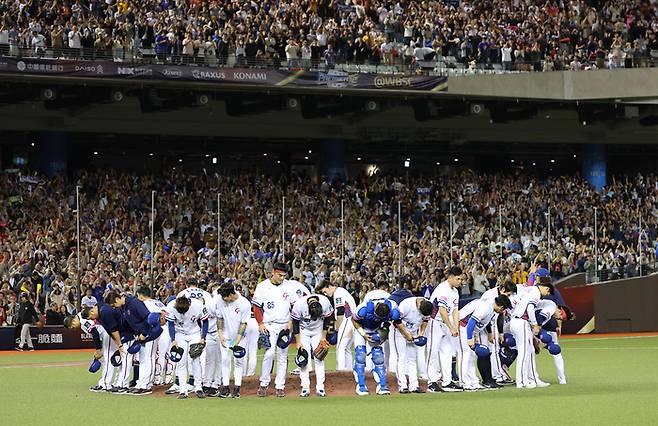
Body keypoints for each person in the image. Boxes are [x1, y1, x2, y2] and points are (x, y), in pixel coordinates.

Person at [251, 262, 307, 397]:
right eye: (280, 275)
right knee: (269, 354)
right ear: (273, 273)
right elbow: (257, 307)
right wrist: (260, 323)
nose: (282, 278)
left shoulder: (289, 286)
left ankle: (280, 386)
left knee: (283, 356)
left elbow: (295, 306)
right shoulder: (263, 286)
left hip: (284, 326)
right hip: (269, 325)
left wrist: (291, 322)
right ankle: (263, 384)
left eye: (284, 275)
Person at [458, 295, 512, 390]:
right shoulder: (486, 307)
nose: (502, 312)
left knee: (471, 356)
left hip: (468, 329)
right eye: (503, 309)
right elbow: (471, 322)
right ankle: (464, 382)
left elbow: (483, 323)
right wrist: (470, 338)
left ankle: (473, 382)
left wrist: (475, 334)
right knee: (465, 354)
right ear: (501, 307)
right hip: (462, 326)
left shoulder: (491, 308)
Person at [509, 277, 554, 389]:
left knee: (530, 350)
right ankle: (522, 381)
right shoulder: (536, 292)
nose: (547, 294)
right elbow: (529, 308)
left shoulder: (529, 289)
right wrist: (534, 324)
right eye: (548, 291)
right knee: (524, 352)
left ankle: (532, 378)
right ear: (545, 287)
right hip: (521, 321)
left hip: (515, 320)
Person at [177, 279, 220, 396]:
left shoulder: (183, 294)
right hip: (191, 331)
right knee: (192, 360)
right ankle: (185, 389)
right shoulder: (206, 294)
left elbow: (204, 320)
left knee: (194, 359)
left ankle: (197, 386)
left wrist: (202, 336)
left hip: (195, 331)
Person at [351, 295, 400, 396]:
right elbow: (354, 320)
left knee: (378, 356)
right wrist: (363, 334)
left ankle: (382, 385)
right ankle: (361, 385)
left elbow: (389, 322)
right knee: (360, 355)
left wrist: (384, 330)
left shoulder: (393, 309)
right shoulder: (363, 309)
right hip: (362, 329)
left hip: (376, 330)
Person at [426, 266, 463, 392]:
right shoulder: (443, 289)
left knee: (447, 352)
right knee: (433, 352)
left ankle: (447, 382)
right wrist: (451, 327)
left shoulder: (455, 292)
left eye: (461, 279)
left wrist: (455, 326)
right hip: (435, 322)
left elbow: (455, 310)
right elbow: (442, 311)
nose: (460, 282)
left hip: (445, 324)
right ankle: (432, 381)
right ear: (450, 278)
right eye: (458, 279)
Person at [165, 295, 209, 399]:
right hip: (180, 334)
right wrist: (173, 339)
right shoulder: (171, 306)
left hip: (194, 333)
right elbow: (170, 324)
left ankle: (198, 388)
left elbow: (205, 322)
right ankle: (183, 390)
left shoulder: (198, 305)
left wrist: (203, 337)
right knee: (181, 362)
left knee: (195, 359)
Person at [291, 294, 334, 397]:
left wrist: (323, 337)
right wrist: (298, 341)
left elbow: (328, 320)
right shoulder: (299, 305)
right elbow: (295, 323)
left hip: (318, 330)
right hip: (303, 331)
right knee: (304, 359)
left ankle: (320, 387)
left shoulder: (325, 302)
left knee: (319, 358)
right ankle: (305, 387)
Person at [215, 282, 251, 398]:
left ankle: (237, 387)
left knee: (238, 361)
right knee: (225, 360)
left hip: (240, 337)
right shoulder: (220, 300)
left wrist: (237, 341)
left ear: (231, 294)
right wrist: (220, 334)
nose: (223, 299)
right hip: (225, 335)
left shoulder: (244, 303)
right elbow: (219, 318)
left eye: (225, 297)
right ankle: (225, 387)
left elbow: (243, 323)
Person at [391, 296, 433, 393]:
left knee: (412, 359)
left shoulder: (427, 305)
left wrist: (421, 333)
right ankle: (403, 385)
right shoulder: (407, 304)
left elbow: (425, 321)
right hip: (399, 332)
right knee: (401, 358)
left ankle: (414, 385)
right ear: (419, 305)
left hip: (414, 332)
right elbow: (396, 320)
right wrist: (406, 333)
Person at [316, 280, 357, 371]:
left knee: (340, 347)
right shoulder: (341, 291)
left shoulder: (338, 293)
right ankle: (349, 371)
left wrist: (338, 330)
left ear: (328, 286)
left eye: (325, 291)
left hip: (347, 320)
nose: (325, 294)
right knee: (346, 348)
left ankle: (340, 371)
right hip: (353, 321)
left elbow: (341, 311)